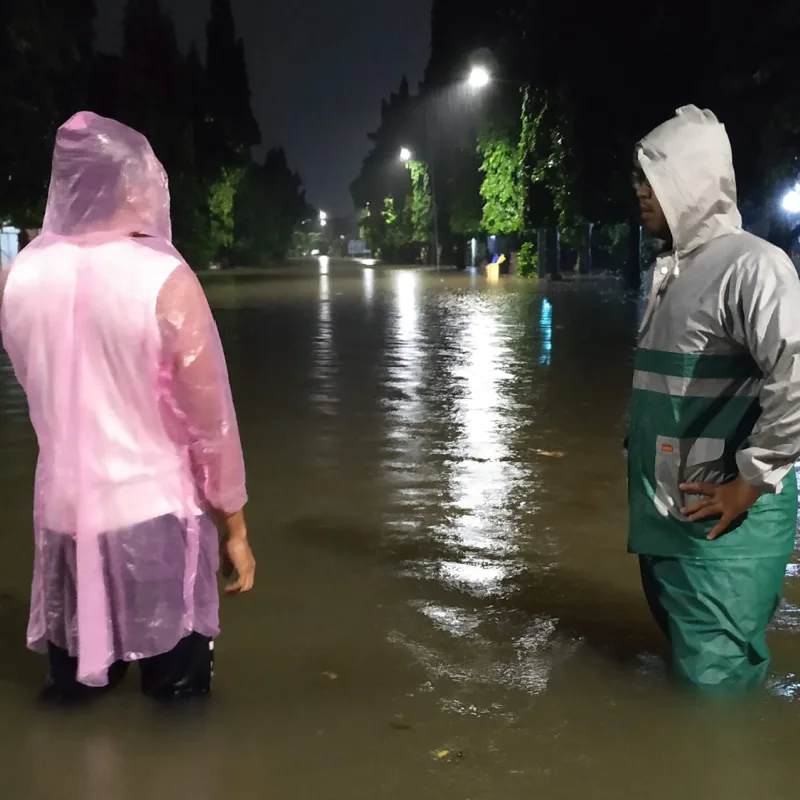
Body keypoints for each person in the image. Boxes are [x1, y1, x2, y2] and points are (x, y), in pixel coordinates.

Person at [0, 111, 256, 701]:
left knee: (72, 696)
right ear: (131, 188)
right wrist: (235, 528)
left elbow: (37, 381)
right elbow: (209, 423)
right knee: (178, 696)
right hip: (155, 521)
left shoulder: (20, 278)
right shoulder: (164, 279)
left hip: (66, 522)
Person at [628, 105, 800, 691]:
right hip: (675, 524)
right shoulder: (675, 271)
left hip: (725, 536)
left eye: (653, 177)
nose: (640, 191)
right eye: (638, 177)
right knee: (692, 682)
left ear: (691, 181)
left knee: (714, 698)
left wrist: (750, 480)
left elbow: (798, 376)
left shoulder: (752, 266)